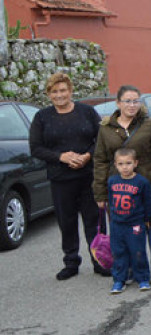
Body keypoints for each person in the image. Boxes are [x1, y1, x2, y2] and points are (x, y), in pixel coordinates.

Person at [29, 72, 109, 280]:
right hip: (60, 178)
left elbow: (100, 139)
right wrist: (61, 157)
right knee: (67, 222)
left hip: (88, 176)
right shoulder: (42, 117)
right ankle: (71, 262)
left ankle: (99, 260)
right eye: (54, 91)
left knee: (95, 221)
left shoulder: (87, 112)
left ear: (71, 91)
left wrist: (87, 155)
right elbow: (36, 148)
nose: (59, 95)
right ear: (49, 95)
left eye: (63, 90)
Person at [94, 85, 151, 284]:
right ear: (118, 103)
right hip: (119, 190)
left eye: (136, 100)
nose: (132, 105)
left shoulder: (150, 125)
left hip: (148, 187)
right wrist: (100, 193)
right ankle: (127, 269)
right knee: (122, 231)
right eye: (127, 101)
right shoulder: (106, 128)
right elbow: (100, 160)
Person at [106, 148, 151, 294]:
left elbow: (148, 201)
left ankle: (143, 278)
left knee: (137, 251)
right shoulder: (112, 181)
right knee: (118, 252)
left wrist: (146, 219)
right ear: (115, 165)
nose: (125, 167)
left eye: (128, 163)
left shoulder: (142, 182)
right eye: (121, 164)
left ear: (135, 163)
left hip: (135, 224)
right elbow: (110, 200)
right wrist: (112, 219)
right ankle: (119, 280)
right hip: (117, 224)